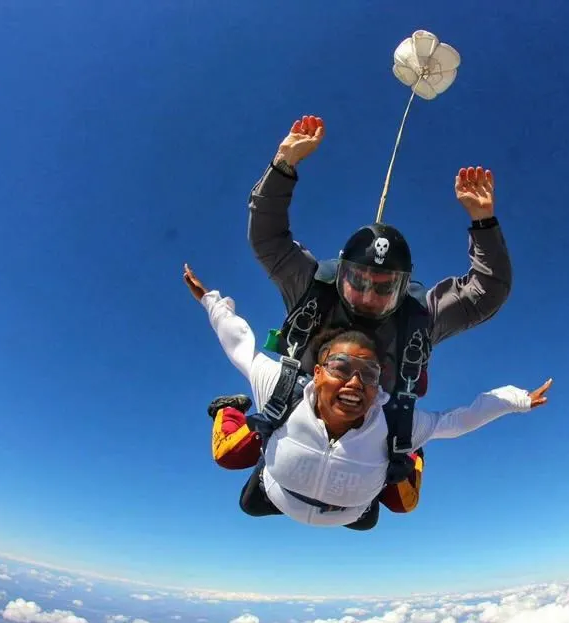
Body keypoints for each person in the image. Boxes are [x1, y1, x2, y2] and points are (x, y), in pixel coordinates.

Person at [207, 115, 515, 519]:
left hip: (372, 435)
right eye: (358, 281)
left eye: (385, 286)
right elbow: (267, 238)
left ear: (404, 287)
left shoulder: (418, 315)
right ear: (342, 272)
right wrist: (283, 163)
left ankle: (396, 456)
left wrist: (484, 221)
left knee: (380, 508)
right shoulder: (313, 288)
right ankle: (233, 419)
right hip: (296, 417)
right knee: (249, 491)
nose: (369, 295)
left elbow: (486, 292)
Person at [184, 264, 552, 529]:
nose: (355, 383)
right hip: (280, 493)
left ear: (379, 386)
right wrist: (212, 302)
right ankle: (230, 409)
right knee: (230, 456)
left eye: (369, 375)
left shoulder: (394, 420)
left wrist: (517, 400)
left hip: (354, 511)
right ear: (317, 371)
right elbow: (239, 344)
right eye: (341, 367)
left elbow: (458, 421)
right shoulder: (282, 388)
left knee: (402, 501)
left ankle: (407, 453)